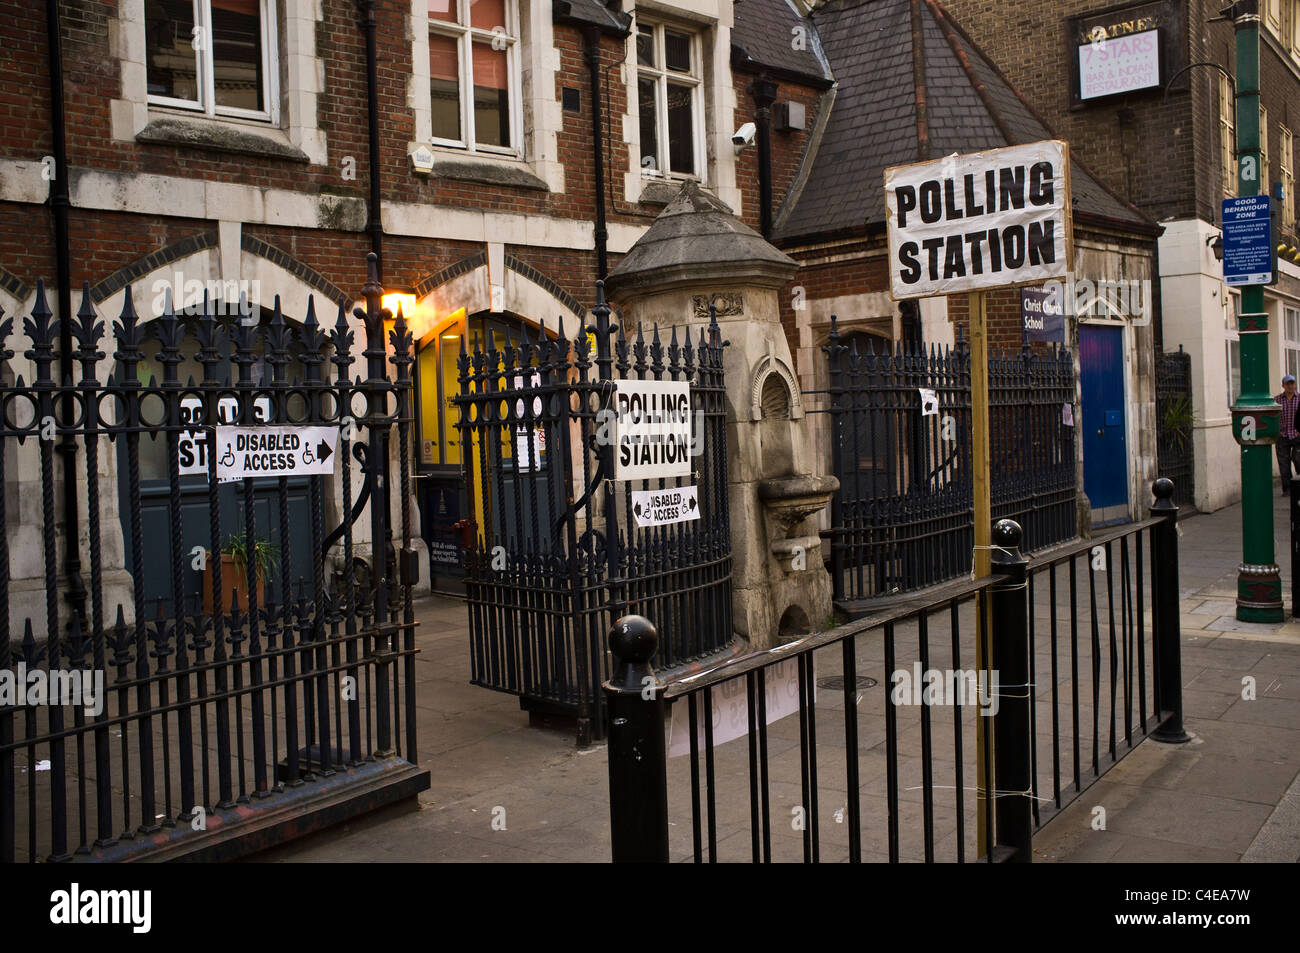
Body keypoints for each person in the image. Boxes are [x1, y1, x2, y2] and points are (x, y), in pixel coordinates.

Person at [1276, 374, 1300, 493]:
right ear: (1283, 386)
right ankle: (1287, 489)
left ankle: (1298, 485)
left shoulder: (1299, 398)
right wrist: (1277, 431)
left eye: (1292, 383)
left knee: (1298, 459)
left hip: (1297, 435)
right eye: (1288, 384)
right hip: (1283, 435)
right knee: (1284, 464)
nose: (1291, 386)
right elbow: (1273, 417)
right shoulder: (1277, 400)